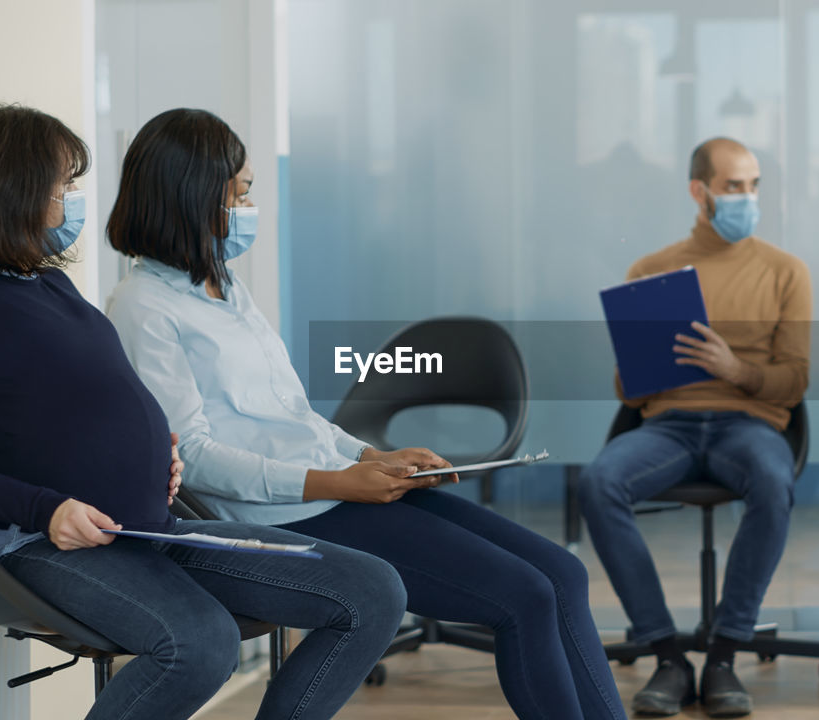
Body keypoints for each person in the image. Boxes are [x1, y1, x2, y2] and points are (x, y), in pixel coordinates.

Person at [103, 107, 628, 720]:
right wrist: (336, 481)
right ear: (193, 194)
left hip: (337, 489)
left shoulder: (223, 284)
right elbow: (192, 459)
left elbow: (291, 414)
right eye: (239, 193)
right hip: (291, 515)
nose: (247, 208)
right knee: (526, 596)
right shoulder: (141, 307)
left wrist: (370, 457)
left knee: (563, 572)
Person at [0, 104, 406, 720]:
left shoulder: (51, 286)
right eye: (64, 185)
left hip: (151, 527)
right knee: (199, 644)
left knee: (372, 592)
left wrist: (162, 452)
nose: (74, 200)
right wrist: (45, 508)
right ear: (14, 190)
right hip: (43, 542)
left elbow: (89, 405)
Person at [579, 138, 812, 718]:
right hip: (671, 426)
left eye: (754, 186)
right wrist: (642, 364)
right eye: (735, 187)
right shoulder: (652, 270)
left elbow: (794, 382)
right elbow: (629, 393)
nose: (748, 198)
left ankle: (726, 654)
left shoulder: (786, 272)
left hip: (748, 424)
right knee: (599, 481)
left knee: (772, 477)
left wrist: (735, 369)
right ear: (699, 191)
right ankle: (667, 656)